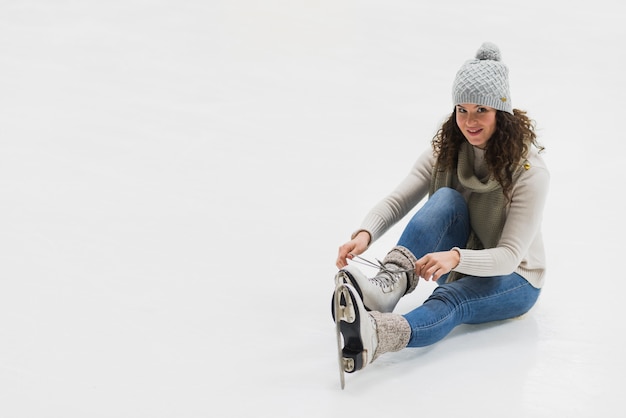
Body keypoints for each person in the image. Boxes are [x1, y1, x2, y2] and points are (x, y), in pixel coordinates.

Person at [332, 42, 549, 376]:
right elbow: (399, 198)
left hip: (516, 277)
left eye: (481, 110)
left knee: (452, 298)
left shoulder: (530, 173)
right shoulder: (449, 150)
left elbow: (508, 255)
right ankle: (386, 286)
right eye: (461, 110)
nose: (469, 121)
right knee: (446, 198)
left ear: (501, 113)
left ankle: (375, 335)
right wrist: (365, 233)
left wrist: (457, 257)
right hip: (460, 258)